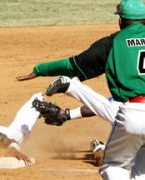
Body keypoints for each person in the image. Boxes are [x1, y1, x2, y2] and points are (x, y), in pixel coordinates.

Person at [17, 0, 145, 179]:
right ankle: (71, 88)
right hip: (133, 113)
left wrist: (40, 69)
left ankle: (72, 86)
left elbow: (73, 65)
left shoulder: (112, 43)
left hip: (133, 113)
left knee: (114, 165)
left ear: (121, 21)